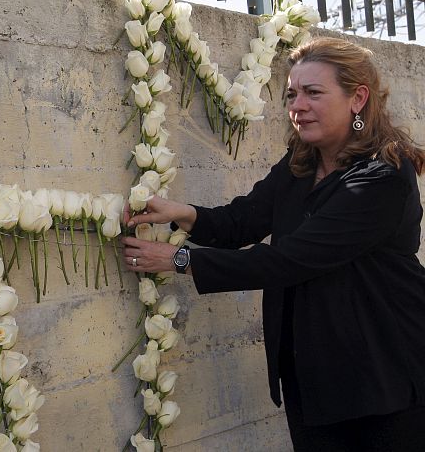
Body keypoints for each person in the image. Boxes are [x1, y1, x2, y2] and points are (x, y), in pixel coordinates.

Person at [121, 37, 425, 451]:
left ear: (358, 98)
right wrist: (179, 212)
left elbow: (291, 260)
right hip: (314, 377)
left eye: (313, 93)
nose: (297, 106)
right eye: (292, 94)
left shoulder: (383, 177)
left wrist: (179, 259)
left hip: (385, 377)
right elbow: (243, 219)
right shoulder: (302, 164)